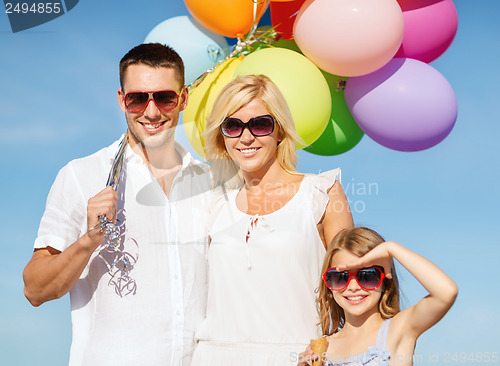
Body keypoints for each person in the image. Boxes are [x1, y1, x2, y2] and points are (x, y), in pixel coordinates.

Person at [23, 43, 211, 366]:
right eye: (138, 98)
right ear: (121, 100)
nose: (151, 112)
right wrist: (88, 241)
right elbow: (35, 289)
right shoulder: (81, 175)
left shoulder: (209, 182)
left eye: (164, 97)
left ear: (183, 99)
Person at [190, 74, 354, 366]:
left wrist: (330, 346)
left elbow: (353, 288)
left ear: (280, 131)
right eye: (233, 126)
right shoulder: (211, 204)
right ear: (221, 135)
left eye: (260, 124)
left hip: (298, 357)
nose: (246, 136)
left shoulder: (322, 193)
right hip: (213, 357)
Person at [297, 227, 458, 366]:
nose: (353, 287)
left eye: (367, 276)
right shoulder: (322, 348)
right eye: (340, 278)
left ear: (385, 281)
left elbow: (446, 292)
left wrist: (391, 249)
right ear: (328, 285)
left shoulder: (399, 329)